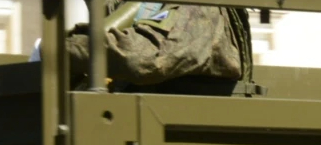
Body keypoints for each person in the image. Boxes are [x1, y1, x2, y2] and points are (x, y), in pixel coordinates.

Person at [30, 1, 253, 92]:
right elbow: (114, 16)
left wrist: (57, 50)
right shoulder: (149, 5)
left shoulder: (202, 7)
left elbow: (144, 58)